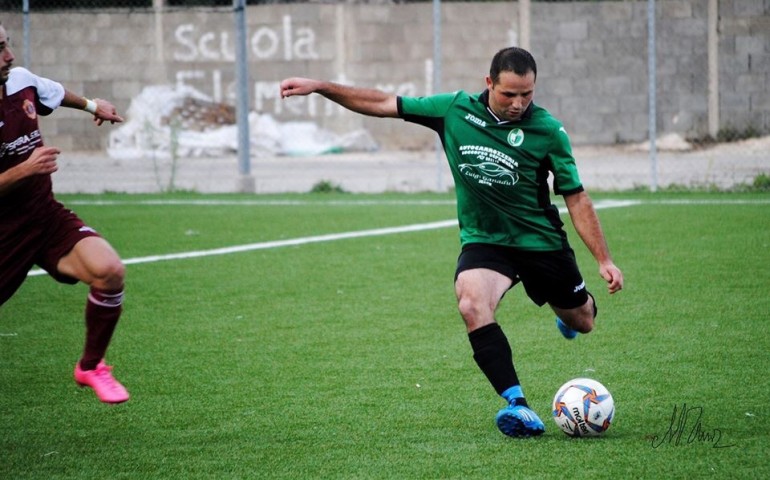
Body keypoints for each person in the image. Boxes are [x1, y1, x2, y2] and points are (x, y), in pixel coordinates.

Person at [280, 46, 623, 437]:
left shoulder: (547, 131)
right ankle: (517, 405)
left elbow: (575, 196)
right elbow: (380, 102)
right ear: (488, 82)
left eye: (527, 94)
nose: (518, 104)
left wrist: (604, 260)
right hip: (486, 240)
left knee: (583, 319)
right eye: (509, 94)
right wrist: (321, 86)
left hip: (539, 241)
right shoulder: (454, 110)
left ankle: (571, 316)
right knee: (471, 302)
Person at [0, 23, 129, 404]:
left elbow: (49, 91)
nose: (9, 56)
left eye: (6, 44)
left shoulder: (19, 80)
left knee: (109, 271)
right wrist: (25, 169)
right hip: (3, 232)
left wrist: (93, 106)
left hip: (44, 217)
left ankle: (91, 366)